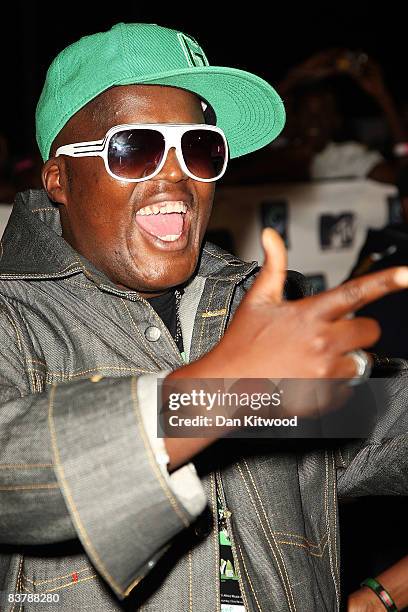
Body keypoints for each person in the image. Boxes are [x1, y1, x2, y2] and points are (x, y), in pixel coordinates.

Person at [1, 23, 408, 612]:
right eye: (136, 147)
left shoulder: (255, 318)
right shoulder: (14, 321)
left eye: (199, 148)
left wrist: (383, 594)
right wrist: (216, 392)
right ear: (59, 178)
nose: (176, 174)